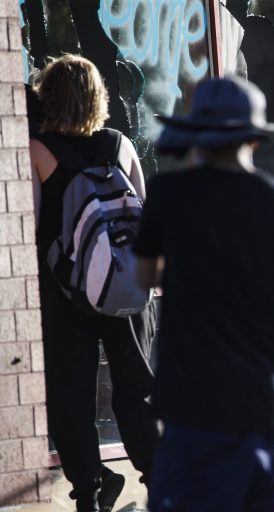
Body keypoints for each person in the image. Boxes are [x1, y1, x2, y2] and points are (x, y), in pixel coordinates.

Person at [132, 76, 274, 511]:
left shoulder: (169, 195)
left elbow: (144, 277)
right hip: (262, 410)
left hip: (190, 412)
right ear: (255, 138)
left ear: (198, 133)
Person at [29, 55, 159, 511]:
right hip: (126, 287)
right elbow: (143, 210)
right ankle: (158, 479)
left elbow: (31, 226)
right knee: (136, 388)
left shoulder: (38, 151)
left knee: (72, 394)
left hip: (65, 294)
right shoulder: (120, 145)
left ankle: (89, 490)